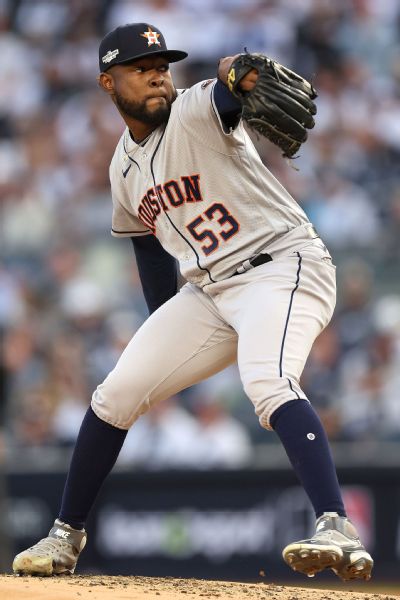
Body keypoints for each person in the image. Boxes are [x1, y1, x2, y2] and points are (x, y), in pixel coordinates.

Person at [12, 22, 373, 582]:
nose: (158, 74)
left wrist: (239, 69)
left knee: (268, 381)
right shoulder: (122, 170)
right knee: (117, 393)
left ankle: (337, 524)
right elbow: (152, 257)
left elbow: (231, 83)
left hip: (282, 266)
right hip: (210, 290)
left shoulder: (196, 109)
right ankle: (65, 535)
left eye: (162, 64)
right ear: (109, 83)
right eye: (141, 67)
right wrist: (164, 345)